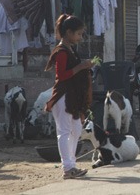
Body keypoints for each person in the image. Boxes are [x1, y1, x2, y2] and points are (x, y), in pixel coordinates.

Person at [44, 14, 93, 179]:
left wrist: (84, 65)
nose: (80, 38)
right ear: (69, 33)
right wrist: (81, 66)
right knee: (65, 132)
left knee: (76, 130)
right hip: (63, 97)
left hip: (72, 97)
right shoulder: (61, 51)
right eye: (79, 34)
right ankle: (68, 168)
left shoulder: (70, 49)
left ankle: (72, 165)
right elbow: (62, 76)